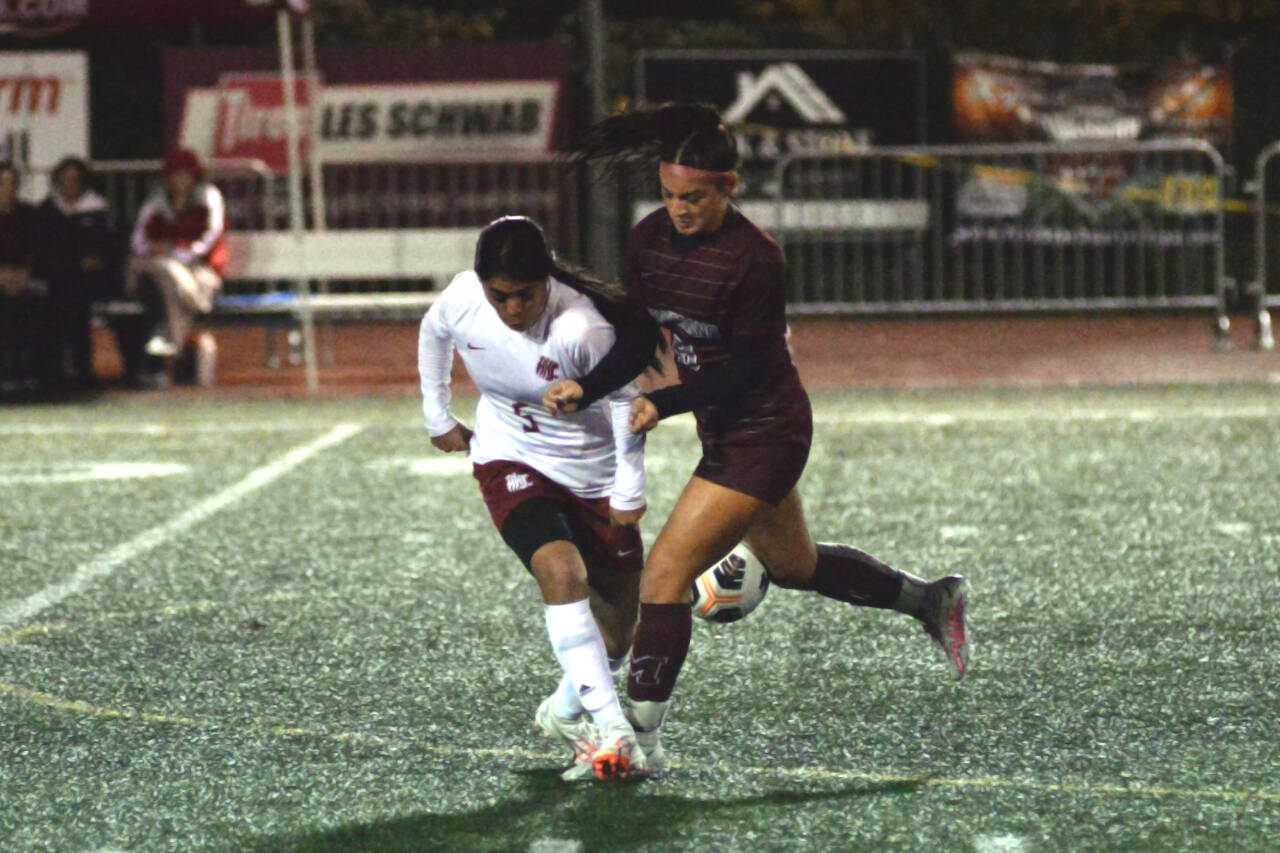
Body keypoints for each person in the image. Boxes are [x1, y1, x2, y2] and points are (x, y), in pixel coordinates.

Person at [543, 103, 970, 779]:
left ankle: (640, 746)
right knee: (796, 564)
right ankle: (930, 598)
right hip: (724, 429)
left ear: (729, 186)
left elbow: (747, 369)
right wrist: (589, 387)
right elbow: (639, 340)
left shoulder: (756, 259)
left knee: (664, 576)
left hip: (767, 433)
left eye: (695, 197)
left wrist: (666, 400)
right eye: (669, 195)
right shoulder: (649, 240)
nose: (679, 209)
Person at [419, 215, 654, 781]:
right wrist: (437, 415)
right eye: (500, 296)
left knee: (619, 635)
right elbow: (433, 332)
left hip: (592, 478)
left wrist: (629, 487)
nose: (513, 309)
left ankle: (565, 712)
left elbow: (630, 404)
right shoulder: (462, 298)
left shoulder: (581, 329)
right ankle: (610, 726)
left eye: (526, 295)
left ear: (547, 281)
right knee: (560, 570)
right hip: (510, 460)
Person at [125, 148, 226, 380]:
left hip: (198, 266)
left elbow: (212, 236)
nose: (180, 180)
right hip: (158, 267)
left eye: (185, 174)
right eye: (175, 175)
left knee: (189, 283)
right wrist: (162, 252)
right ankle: (176, 351)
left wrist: (181, 254)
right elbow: (139, 239)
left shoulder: (207, 197)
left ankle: (168, 355)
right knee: (169, 276)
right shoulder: (157, 200)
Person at [34, 157, 112, 390]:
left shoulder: (96, 211)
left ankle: (82, 371)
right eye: (65, 180)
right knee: (56, 303)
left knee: (77, 302)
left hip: (88, 282)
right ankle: (52, 372)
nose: (70, 185)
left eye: (75, 180)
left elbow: (102, 251)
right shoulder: (48, 211)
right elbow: (43, 251)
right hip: (55, 278)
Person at [0, 162, 47, 392]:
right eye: (2, 183)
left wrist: (23, 273)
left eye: (12, 184)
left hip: (24, 280)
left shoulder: (29, 214)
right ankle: (6, 369)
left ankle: (27, 367)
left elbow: (38, 251)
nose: (7, 189)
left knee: (35, 301)